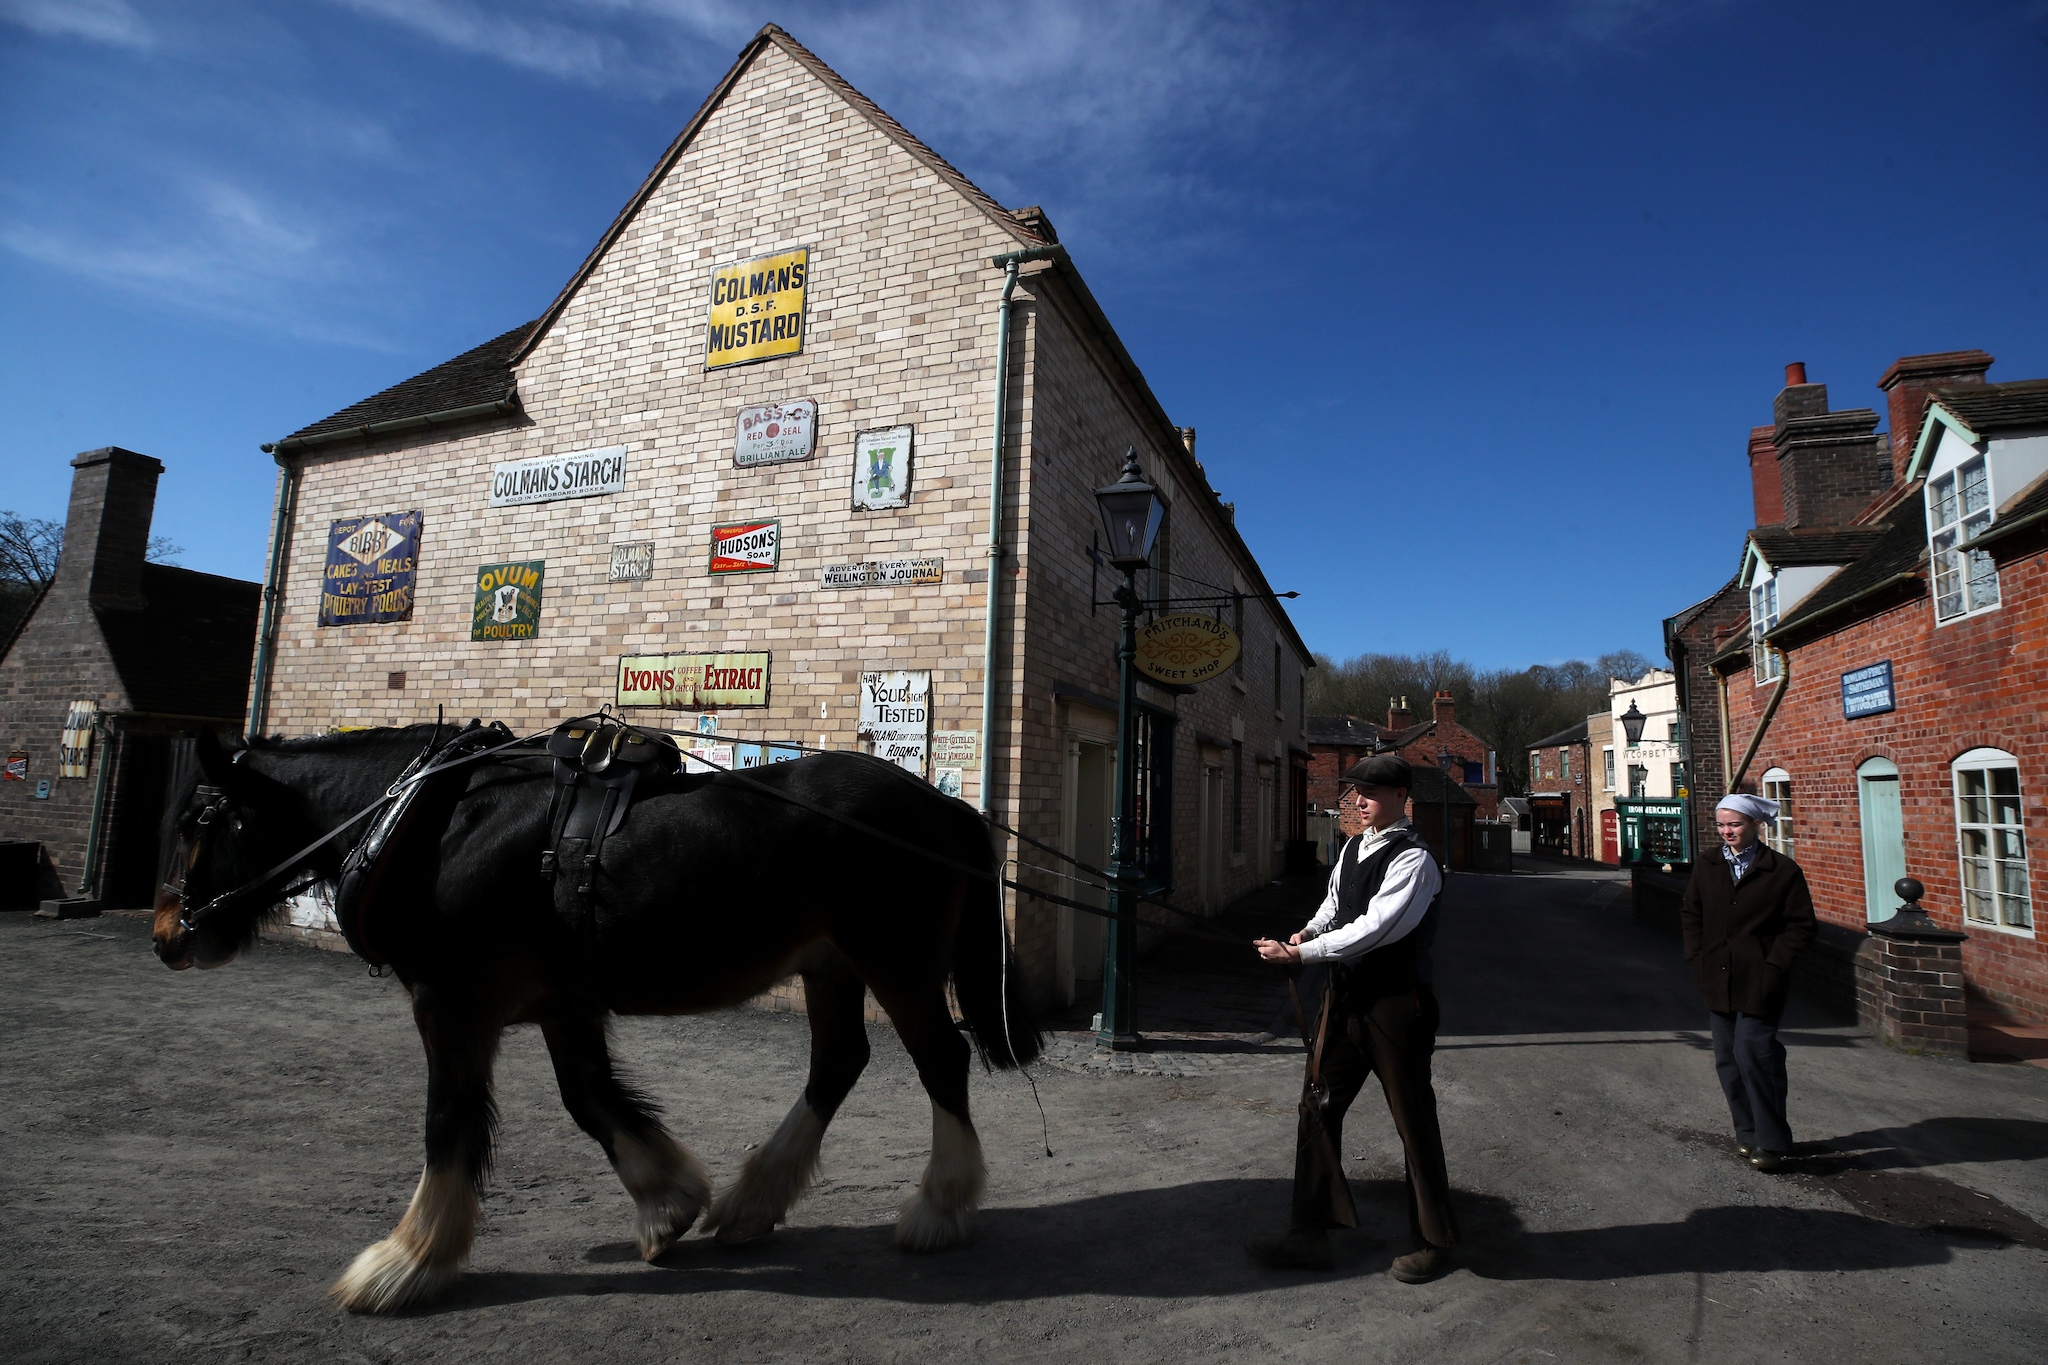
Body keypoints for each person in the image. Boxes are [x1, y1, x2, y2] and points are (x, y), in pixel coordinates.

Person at [1245, 754, 1459, 1282]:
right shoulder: (1352, 848)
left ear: (1399, 795)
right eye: (1354, 792)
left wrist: (1303, 957)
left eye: (1369, 792)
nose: (1358, 801)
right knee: (1315, 1108)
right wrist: (1307, 934)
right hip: (1343, 1002)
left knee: (1412, 1119)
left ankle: (1434, 1239)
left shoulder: (1415, 860)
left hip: (1396, 1006)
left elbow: (1376, 928)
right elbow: (1335, 908)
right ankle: (1308, 1234)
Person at [1682, 793, 1817, 1172]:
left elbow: (1802, 927)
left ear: (1755, 825)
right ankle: (1746, 1131)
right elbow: (1691, 914)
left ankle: (1772, 1142)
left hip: (1762, 980)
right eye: (1722, 825)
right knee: (1727, 1059)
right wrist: (1696, 958)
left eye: (1735, 824)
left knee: (1755, 1055)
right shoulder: (1707, 865)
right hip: (1717, 978)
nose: (1727, 831)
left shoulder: (1782, 871)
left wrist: (1775, 965)